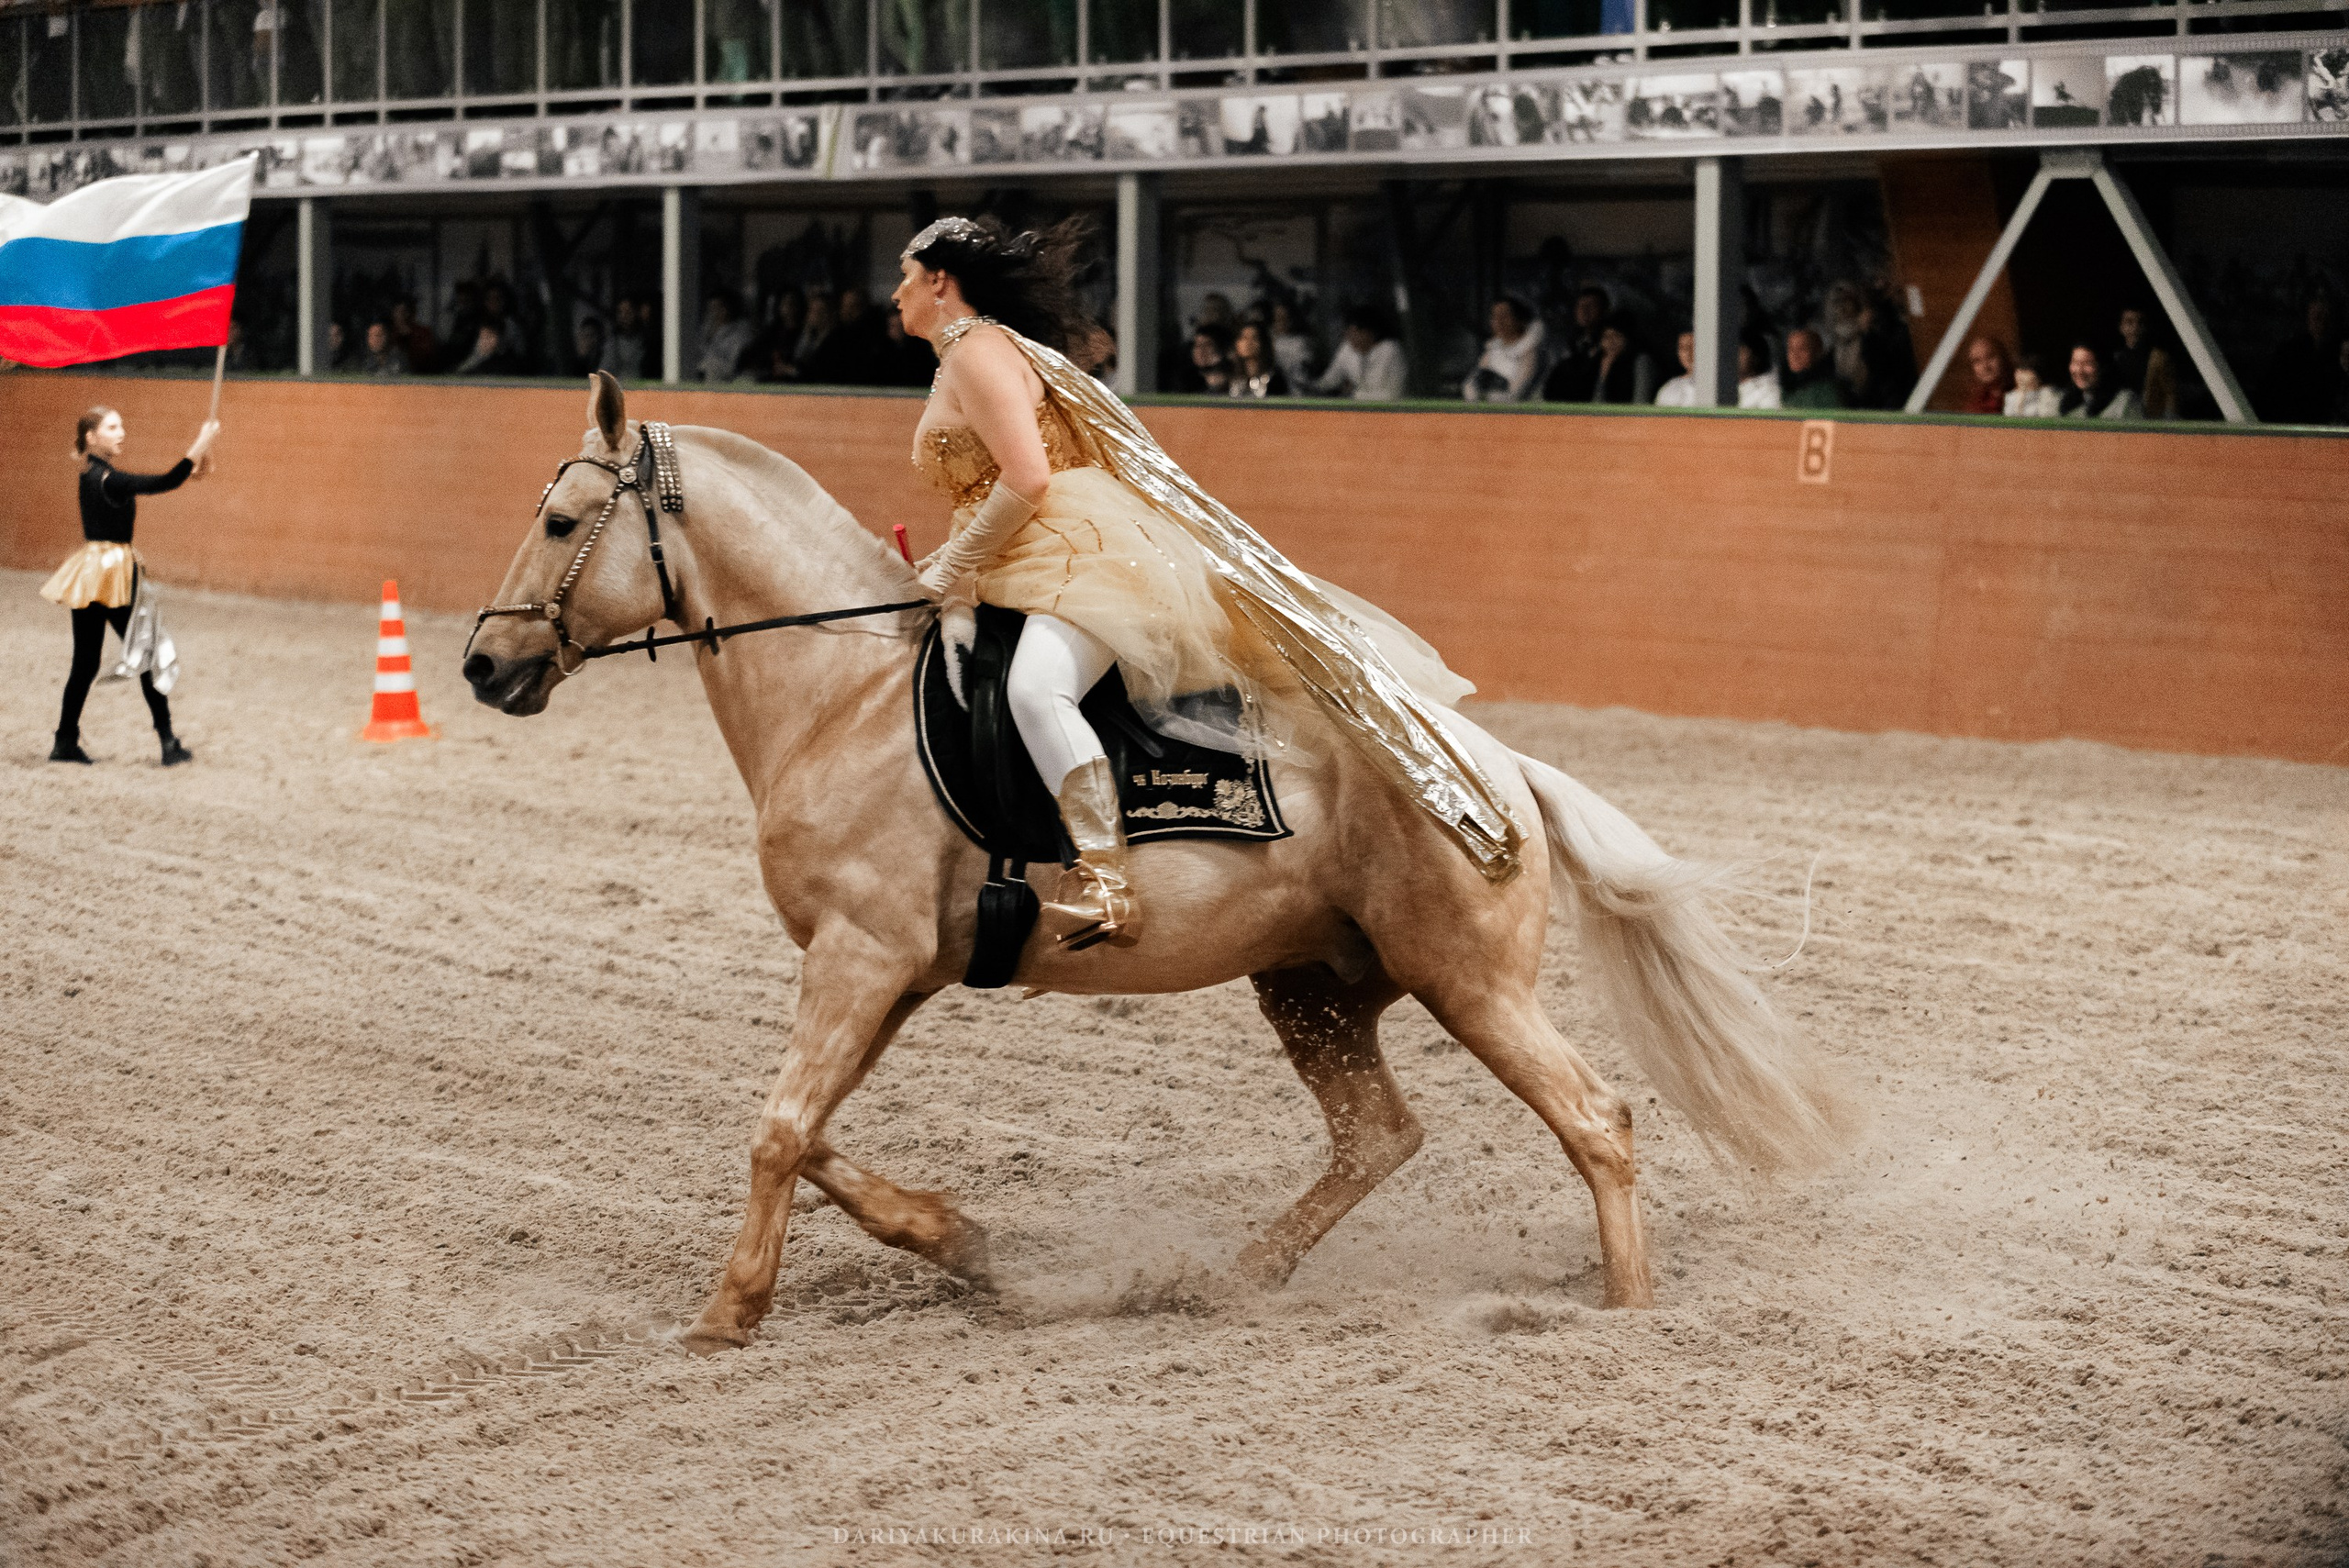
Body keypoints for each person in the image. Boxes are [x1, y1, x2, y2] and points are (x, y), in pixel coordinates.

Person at [892, 216, 1520, 948]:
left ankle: (1105, 882)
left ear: (940, 281)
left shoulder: (977, 350)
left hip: (1075, 549)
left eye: (906, 276)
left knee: (1038, 688)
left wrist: (953, 559)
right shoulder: (960, 358)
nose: (897, 293)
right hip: (1024, 554)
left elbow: (1028, 477)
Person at [44, 406, 217, 765]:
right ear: (92, 438)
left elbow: (166, 480)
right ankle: (168, 743)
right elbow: (164, 481)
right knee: (149, 654)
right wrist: (201, 442)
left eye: (121, 425)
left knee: (85, 662)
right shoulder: (110, 479)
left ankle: (64, 741)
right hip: (117, 574)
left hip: (93, 571)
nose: (121, 432)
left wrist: (194, 466)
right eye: (111, 427)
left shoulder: (93, 475)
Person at [2259, 296, 2343, 424]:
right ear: (2307, 319)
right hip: (2294, 423)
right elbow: (2273, 392)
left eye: (2327, 318)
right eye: (2317, 317)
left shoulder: (2340, 351)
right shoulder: (2288, 352)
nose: (2322, 323)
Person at [1308, 307, 1408, 400]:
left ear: (1371, 331)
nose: (1350, 338)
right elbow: (1331, 379)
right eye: (1348, 333)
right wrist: (1312, 387)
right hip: (1359, 411)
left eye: (1355, 332)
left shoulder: (1391, 349)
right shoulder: (1347, 347)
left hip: (1391, 414)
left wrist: (1354, 395)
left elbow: (1393, 396)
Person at [1463, 295, 1547, 402]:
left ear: (1520, 320)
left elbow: (1519, 392)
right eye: (1494, 317)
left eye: (1504, 316)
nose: (1499, 322)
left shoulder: (1530, 351)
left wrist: (1489, 397)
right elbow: (1472, 382)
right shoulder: (1493, 350)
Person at [1541, 285, 1610, 403]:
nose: (1584, 310)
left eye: (1591, 306)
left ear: (1604, 310)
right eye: (1580, 306)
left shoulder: (1609, 343)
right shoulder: (1570, 342)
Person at [2109, 307, 2175, 420]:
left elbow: (2170, 393)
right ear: (2121, 327)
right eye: (2129, 322)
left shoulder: (2158, 358)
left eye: (2140, 323)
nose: (2135, 328)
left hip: (2149, 419)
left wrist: (2170, 421)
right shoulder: (2115, 358)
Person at [2059, 341, 2143, 419]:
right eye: (2075, 363)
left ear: (2103, 367)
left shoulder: (2125, 402)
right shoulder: (2067, 405)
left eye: (2087, 363)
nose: (2080, 371)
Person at [1779, 328, 1847, 410]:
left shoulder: (1827, 391)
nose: (1795, 356)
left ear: (1817, 353)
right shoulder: (1785, 386)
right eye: (1791, 349)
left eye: (1802, 349)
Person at [699, 292, 755, 382]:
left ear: (726, 309)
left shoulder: (741, 333)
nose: (713, 313)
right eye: (711, 309)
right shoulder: (707, 328)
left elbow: (732, 367)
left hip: (727, 383)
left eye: (716, 308)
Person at [1227, 321, 1290, 398]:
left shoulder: (1274, 379)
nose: (1248, 343)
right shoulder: (1230, 376)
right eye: (1244, 338)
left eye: (1254, 338)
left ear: (1263, 343)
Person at [1173, 323, 1234, 395]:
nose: (1200, 350)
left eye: (1207, 345)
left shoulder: (1233, 379)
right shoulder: (1185, 381)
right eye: (1197, 345)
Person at [1267, 300, 1316, 389]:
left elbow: (1302, 372)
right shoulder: (1267, 341)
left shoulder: (1301, 343)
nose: (1279, 322)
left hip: (1295, 393)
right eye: (1276, 318)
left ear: (1290, 319)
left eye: (1283, 318)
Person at [1963, 335, 2014, 415]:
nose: (1985, 367)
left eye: (1990, 357)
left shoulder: (2022, 394)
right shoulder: (1974, 405)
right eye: (1977, 361)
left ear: (2003, 358)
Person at [602, 295, 649, 382]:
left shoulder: (647, 343)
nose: (624, 317)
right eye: (620, 312)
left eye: (628, 312)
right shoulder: (610, 342)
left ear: (637, 313)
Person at [2002, 352, 2063, 417]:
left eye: (2025, 371)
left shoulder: (2048, 394)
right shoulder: (2011, 396)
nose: (2020, 375)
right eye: (2018, 370)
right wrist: (2022, 395)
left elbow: (2047, 416)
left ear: (2037, 375)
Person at [390, 296, 438, 374]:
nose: (403, 316)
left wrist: (408, 337)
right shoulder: (388, 334)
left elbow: (426, 359)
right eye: (398, 312)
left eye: (405, 312)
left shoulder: (423, 333)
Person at [1653, 331, 1700, 407]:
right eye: (1684, 348)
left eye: (1693, 347)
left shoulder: (1715, 386)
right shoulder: (1669, 388)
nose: (1689, 353)